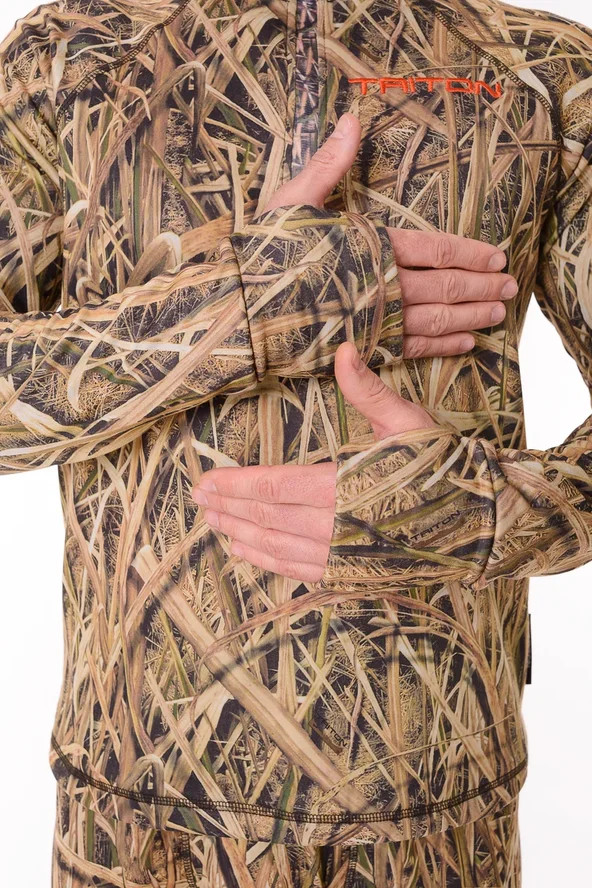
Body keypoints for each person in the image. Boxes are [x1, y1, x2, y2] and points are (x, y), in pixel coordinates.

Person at [0, 0, 590, 884]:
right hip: (135, 814)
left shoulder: (541, 72)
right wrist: (247, 303)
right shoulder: (73, 57)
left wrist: (482, 513)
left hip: (437, 814)